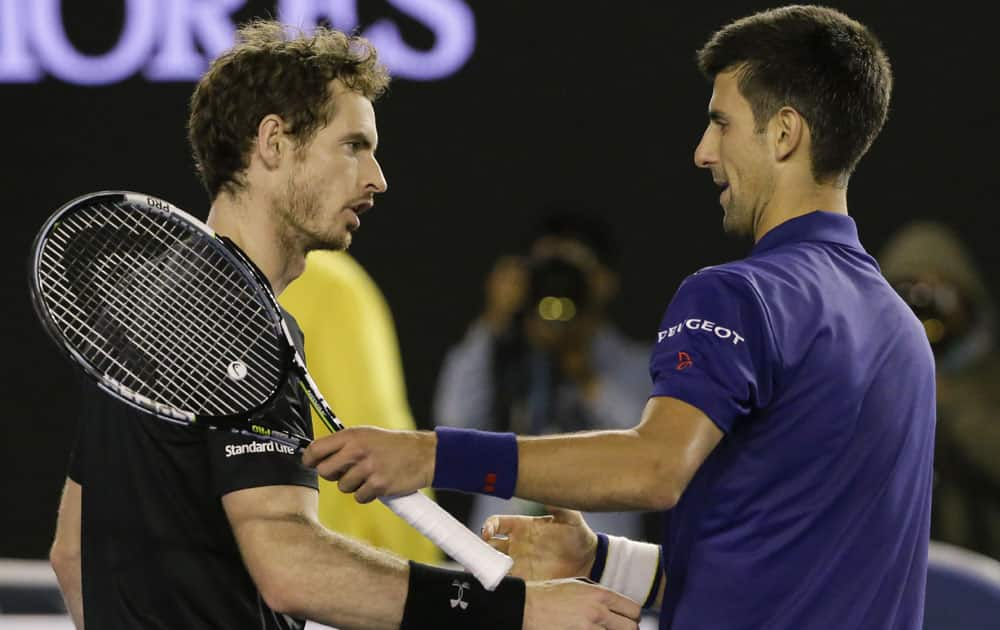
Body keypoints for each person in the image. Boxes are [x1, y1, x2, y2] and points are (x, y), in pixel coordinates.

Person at [304, 6, 936, 629]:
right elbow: (784, 567)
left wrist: (431, 455)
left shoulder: (741, 296)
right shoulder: (903, 332)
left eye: (722, 124)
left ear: (785, 133)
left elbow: (653, 468)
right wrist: (598, 557)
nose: (703, 152)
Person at [47, 20, 642, 630]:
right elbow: (290, 569)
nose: (376, 178)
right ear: (274, 143)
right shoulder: (240, 320)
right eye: (353, 145)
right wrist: (523, 611)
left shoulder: (144, 308)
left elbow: (72, 554)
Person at [434, 210, 650, 539]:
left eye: (573, 269)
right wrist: (494, 322)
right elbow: (453, 421)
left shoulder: (637, 363)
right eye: (547, 269)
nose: (559, 281)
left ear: (604, 282)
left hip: (596, 569)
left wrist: (581, 367)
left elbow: (650, 450)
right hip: (498, 559)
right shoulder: (501, 355)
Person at [280, 250, 441, 564]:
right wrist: (419, 571)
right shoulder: (333, 285)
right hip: (336, 571)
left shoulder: (184, 279)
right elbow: (376, 434)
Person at [879, 222, 1000, 560]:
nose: (923, 309)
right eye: (907, 294)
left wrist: (945, 400)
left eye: (938, 294)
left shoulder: (990, 381)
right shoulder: (859, 383)